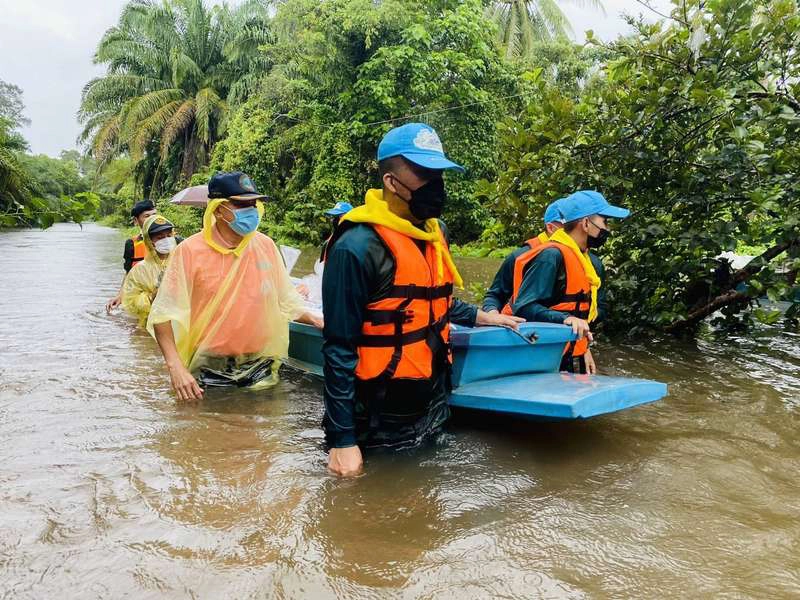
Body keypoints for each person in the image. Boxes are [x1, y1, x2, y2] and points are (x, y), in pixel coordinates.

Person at [322, 123, 524, 477]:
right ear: (390, 181)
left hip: (432, 402)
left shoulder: (435, 233)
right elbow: (339, 347)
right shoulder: (356, 246)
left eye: (439, 173)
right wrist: (342, 441)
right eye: (424, 174)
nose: (436, 184)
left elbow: (433, 302)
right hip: (376, 417)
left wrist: (483, 316)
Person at [147, 171, 323, 400]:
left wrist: (315, 320)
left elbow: (286, 298)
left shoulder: (265, 246)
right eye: (242, 204)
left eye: (253, 203)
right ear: (219, 209)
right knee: (205, 431)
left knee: (262, 432)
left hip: (261, 365)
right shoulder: (189, 252)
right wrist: (176, 368)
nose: (251, 210)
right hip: (209, 368)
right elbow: (162, 315)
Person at [502, 190, 629, 374]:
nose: (607, 229)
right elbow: (524, 306)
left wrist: (583, 346)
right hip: (540, 355)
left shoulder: (584, 259)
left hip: (564, 354)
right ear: (586, 223)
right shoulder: (551, 256)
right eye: (604, 222)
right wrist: (566, 319)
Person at [121, 215, 178, 327]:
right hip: (149, 326)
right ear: (150, 241)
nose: (166, 240)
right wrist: (152, 297)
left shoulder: (182, 261)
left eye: (169, 235)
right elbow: (130, 305)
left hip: (179, 324)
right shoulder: (139, 270)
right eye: (160, 237)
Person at [106, 200, 157, 312]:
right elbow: (129, 273)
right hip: (140, 297)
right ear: (136, 221)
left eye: (154, 215)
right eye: (147, 216)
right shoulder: (131, 244)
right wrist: (120, 295)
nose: (152, 219)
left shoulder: (170, 239)